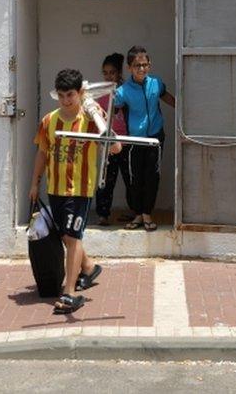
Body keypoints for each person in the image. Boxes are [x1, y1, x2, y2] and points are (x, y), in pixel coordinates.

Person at [29, 68, 120, 314]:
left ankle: (69, 292)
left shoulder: (91, 118)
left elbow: (116, 148)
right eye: (61, 95)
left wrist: (101, 121)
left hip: (80, 188)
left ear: (80, 92)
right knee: (66, 235)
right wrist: (35, 183)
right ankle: (89, 267)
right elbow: (42, 152)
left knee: (73, 236)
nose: (66, 100)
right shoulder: (49, 120)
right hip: (55, 187)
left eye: (70, 94)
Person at [114, 45, 175, 232]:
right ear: (129, 68)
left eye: (145, 65)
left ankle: (147, 214)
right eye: (137, 65)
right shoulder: (123, 90)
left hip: (155, 137)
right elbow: (110, 108)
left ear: (150, 65)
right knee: (135, 178)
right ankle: (138, 214)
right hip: (134, 140)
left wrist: (183, 109)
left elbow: (166, 96)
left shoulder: (156, 83)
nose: (141, 69)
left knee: (152, 177)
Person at [94, 53, 131, 226]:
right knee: (106, 179)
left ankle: (135, 211)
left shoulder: (126, 91)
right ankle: (103, 214)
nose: (109, 76)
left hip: (127, 142)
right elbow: (98, 119)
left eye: (112, 72)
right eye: (105, 72)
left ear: (120, 73)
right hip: (109, 143)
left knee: (130, 178)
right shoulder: (101, 94)